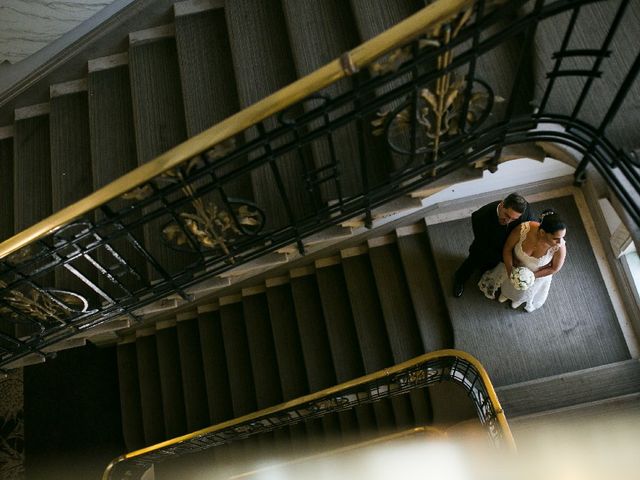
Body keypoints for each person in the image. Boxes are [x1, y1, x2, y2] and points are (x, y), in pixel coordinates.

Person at [478, 209, 567, 312]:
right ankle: (505, 293)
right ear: (542, 232)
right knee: (508, 285)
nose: (560, 242)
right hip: (512, 266)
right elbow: (507, 249)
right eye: (556, 238)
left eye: (562, 237)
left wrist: (532, 277)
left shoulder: (559, 247)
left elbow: (555, 268)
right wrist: (510, 270)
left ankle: (519, 300)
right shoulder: (523, 229)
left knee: (523, 292)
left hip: (536, 275)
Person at [453, 193, 533, 297]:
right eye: (507, 215)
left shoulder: (525, 210)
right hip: (485, 248)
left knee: (490, 268)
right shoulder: (481, 217)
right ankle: (459, 279)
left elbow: (531, 225)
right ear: (502, 204)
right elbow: (484, 244)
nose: (508, 221)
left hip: (508, 248)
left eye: (514, 219)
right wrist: (507, 258)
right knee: (472, 262)